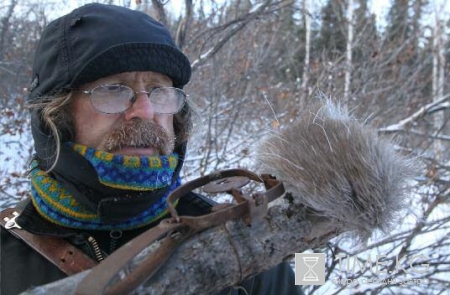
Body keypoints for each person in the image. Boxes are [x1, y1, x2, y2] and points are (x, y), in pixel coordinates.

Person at [0, 3, 302, 295]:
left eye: (159, 90)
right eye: (114, 88)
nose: (145, 110)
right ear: (55, 115)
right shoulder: (7, 254)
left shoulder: (239, 244)